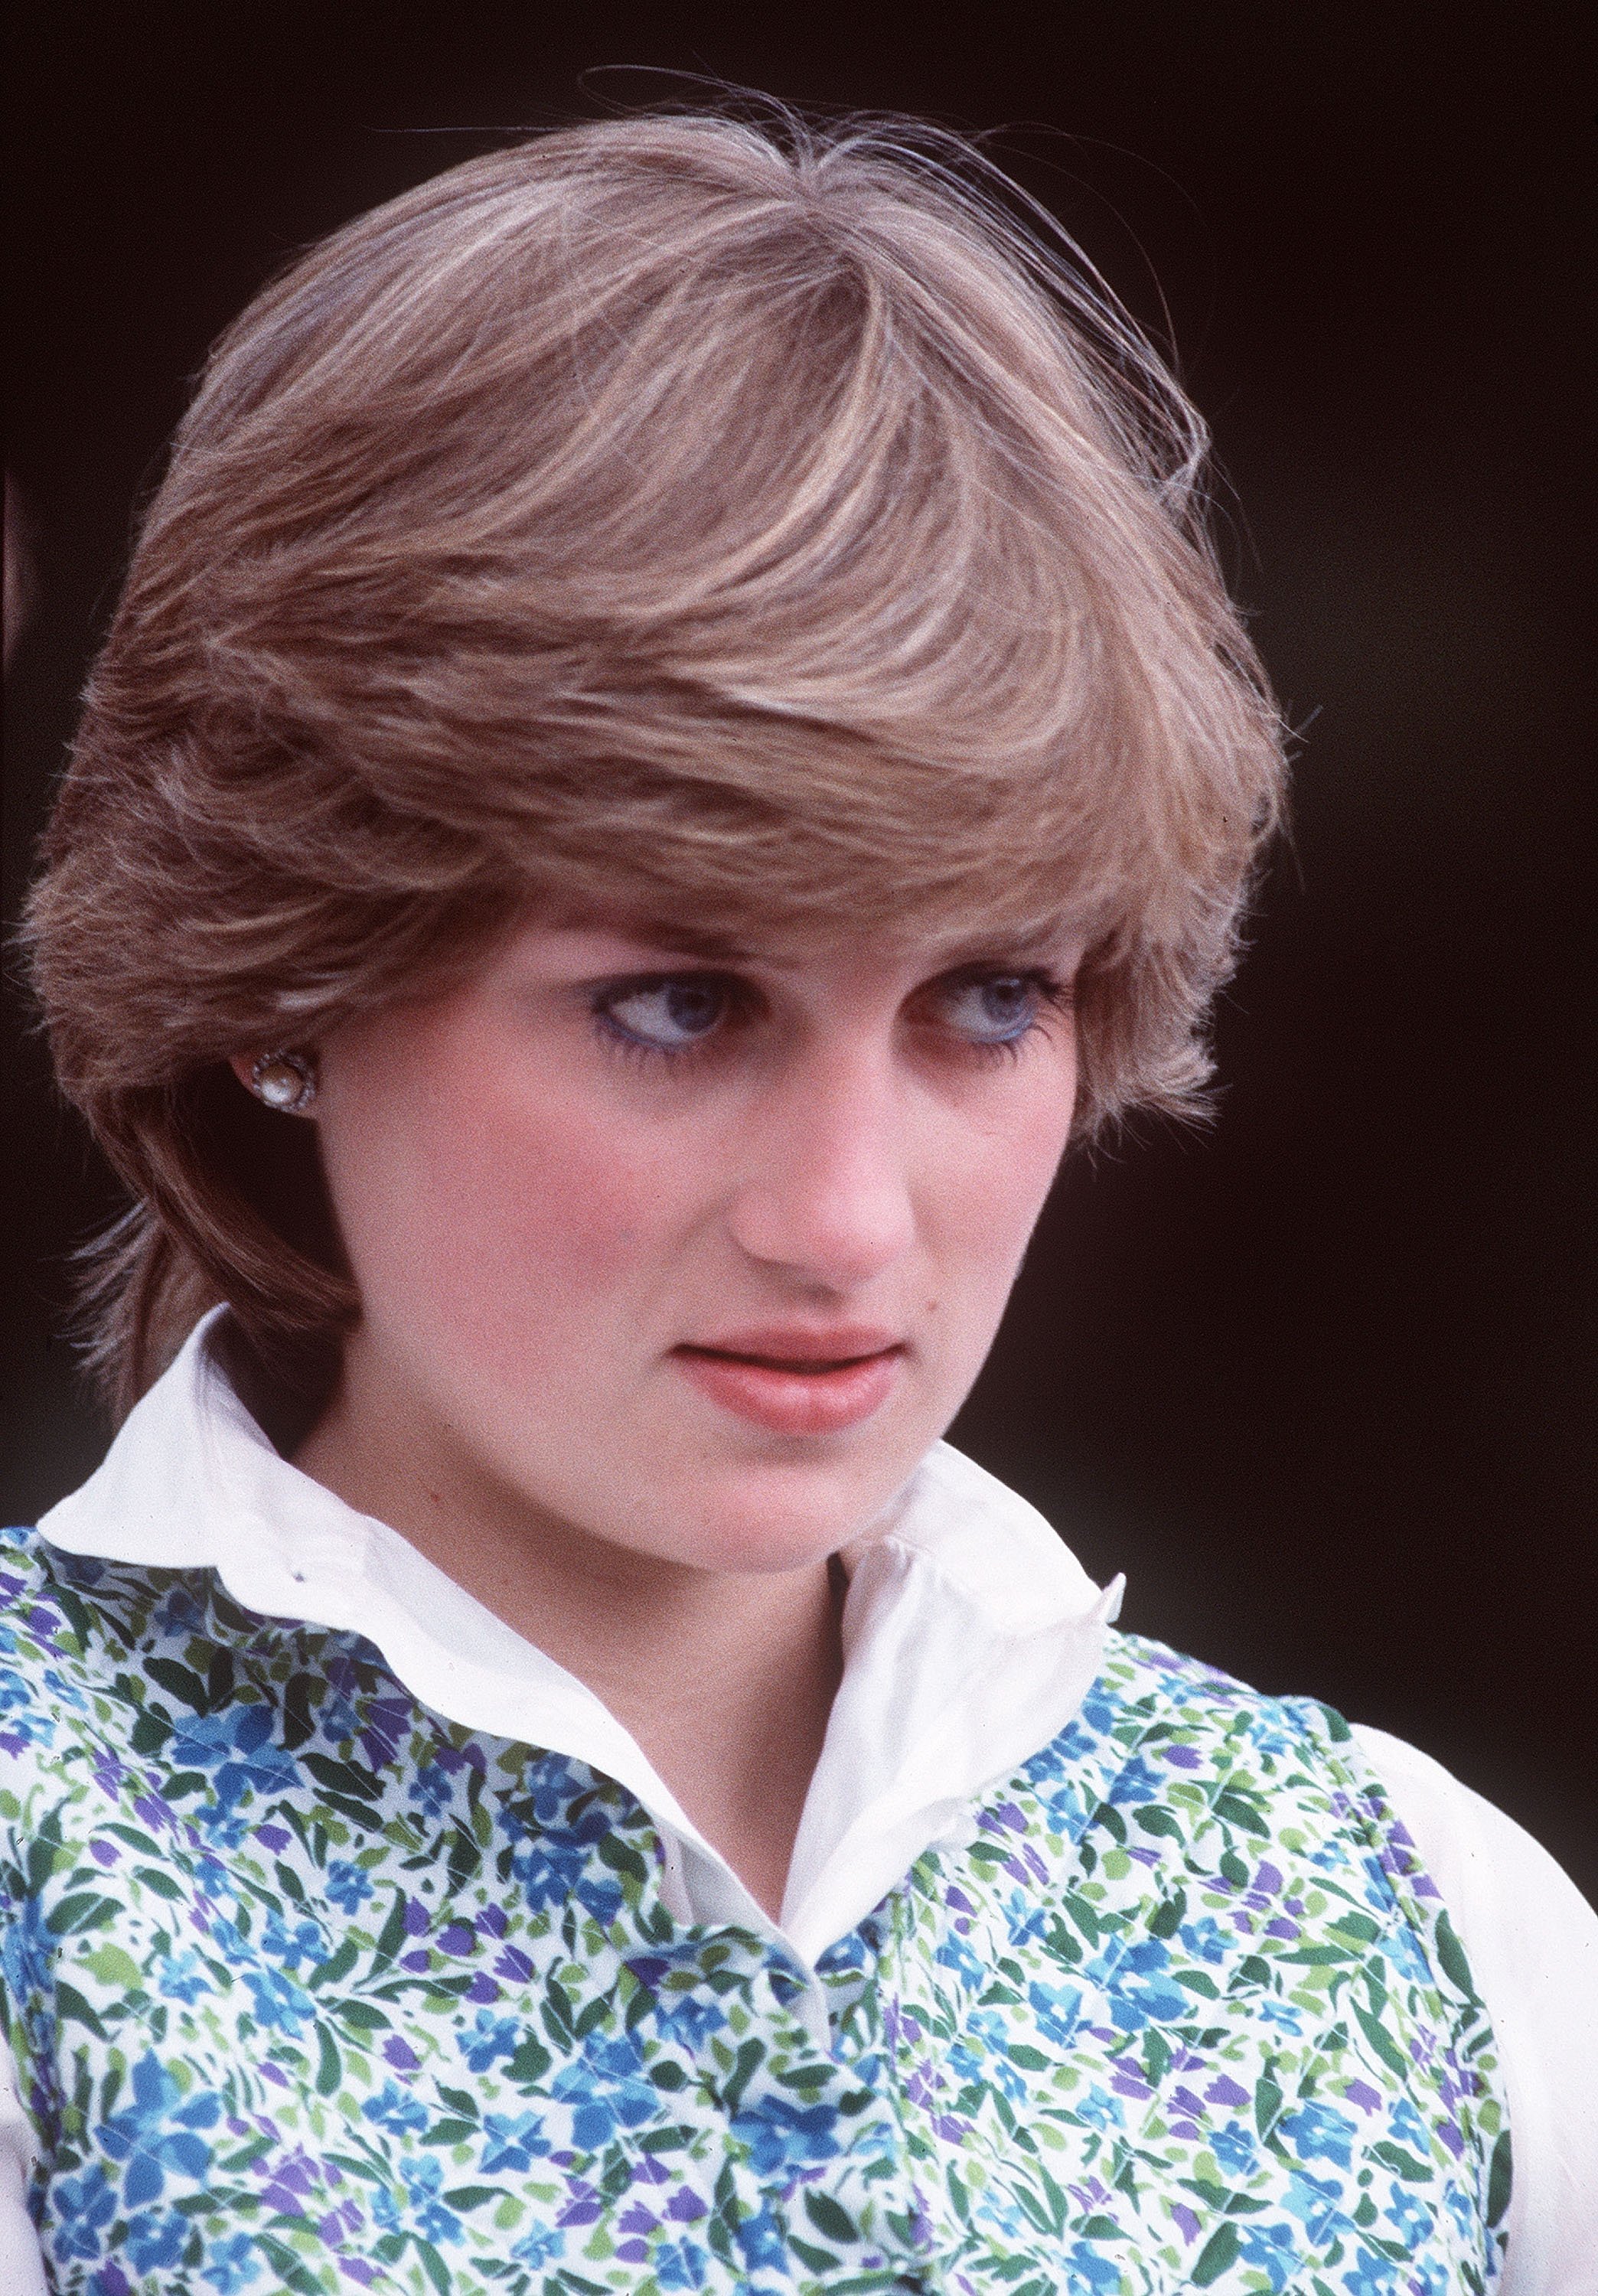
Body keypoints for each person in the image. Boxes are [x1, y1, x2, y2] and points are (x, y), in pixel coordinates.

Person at [2, 106, 1592, 2296]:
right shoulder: (40, 1877)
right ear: (288, 979)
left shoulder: (1424, 1937)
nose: (848, 1223)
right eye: (675, 1003)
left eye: (984, 999)